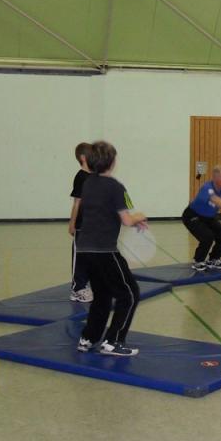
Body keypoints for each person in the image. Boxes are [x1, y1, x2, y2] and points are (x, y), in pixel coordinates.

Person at [75, 141, 147, 357]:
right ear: (112, 162)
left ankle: (88, 338)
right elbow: (126, 220)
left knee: (102, 295)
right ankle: (113, 341)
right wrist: (140, 217)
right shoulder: (115, 186)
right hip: (104, 251)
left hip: (84, 250)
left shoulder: (88, 183)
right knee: (130, 294)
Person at [68, 142, 93, 302]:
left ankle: (87, 284)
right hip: (82, 225)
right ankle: (77, 289)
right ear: (83, 158)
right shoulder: (81, 177)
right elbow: (77, 202)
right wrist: (72, 223)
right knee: (80, 256)